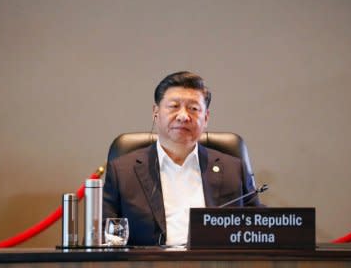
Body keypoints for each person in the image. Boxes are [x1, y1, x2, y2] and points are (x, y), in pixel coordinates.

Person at [103, 71, 262, 246]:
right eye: (174, 106)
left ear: (206, 117)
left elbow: (262, 229)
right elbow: (102, 238)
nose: (183, 116)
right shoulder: (123, 172)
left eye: (194, 109)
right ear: (155, 112)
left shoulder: (233, 169)